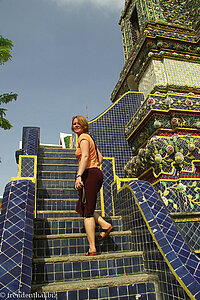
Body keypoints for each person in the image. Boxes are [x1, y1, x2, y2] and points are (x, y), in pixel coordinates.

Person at [72, 115, 114, 256]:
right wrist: (95, 166)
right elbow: (99, 157)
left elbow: (84, 157)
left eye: (78, 123)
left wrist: (79, 176)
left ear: (84, 125)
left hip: (89, 174)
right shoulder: (90, 138)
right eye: (74, 124)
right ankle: (104, 225)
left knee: (88, 212)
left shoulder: (83, 138)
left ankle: (92, 247)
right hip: (95, 173)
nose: (75, 125)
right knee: (85, 206)